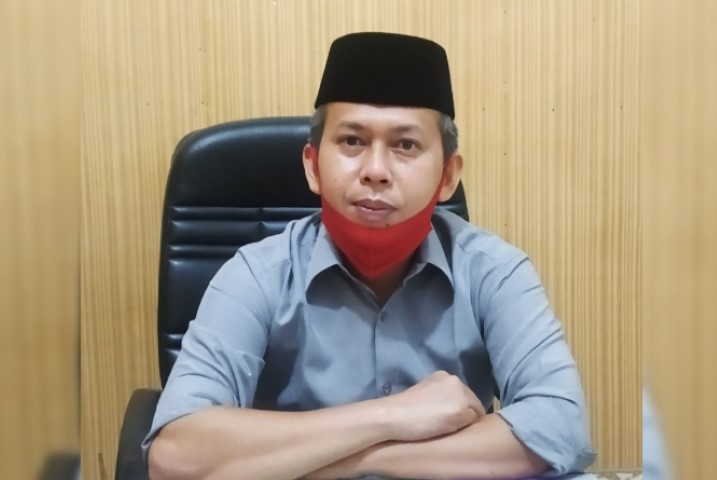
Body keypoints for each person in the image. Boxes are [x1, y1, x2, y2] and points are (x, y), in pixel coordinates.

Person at [144, 32, 595, 479]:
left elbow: (561, 427)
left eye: (406, 145)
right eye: (352, 141)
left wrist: (355, 461)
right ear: (312, 165)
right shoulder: (256, 274)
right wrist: (393, 416)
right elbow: (176, 456)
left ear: (447, 176)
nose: (376, 171)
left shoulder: (493, 270)